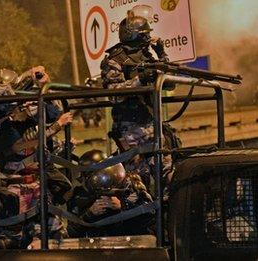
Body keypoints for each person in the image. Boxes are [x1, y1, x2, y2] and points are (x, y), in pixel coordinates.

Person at [0, 66, 73, 248]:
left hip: (37, 183)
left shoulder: (26, 114)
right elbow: (18, 144)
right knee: (11, 240)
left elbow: (55, 113)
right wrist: (55, 127)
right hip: (15, 186)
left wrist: (43, 86)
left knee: (54, 234)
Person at [100, 5, 180, 188]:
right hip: (129, 127)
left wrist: (162, 54)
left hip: (151, 123)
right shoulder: (115, 59)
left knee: (167, 173)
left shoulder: (146, 55)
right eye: (144, 34)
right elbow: (113, 93)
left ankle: (168, 211)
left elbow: (168, 81)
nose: (148, 38)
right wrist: (140, 80)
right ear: (135, 35)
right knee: (136, 179)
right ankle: (145, 214)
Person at [67, 150, 153, 238]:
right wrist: (89, 214)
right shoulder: (81, 195)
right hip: (98, 246)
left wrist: (123, 206)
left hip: (133, 243)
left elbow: (149, 216)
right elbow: (72, 232)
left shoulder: (131, 185)